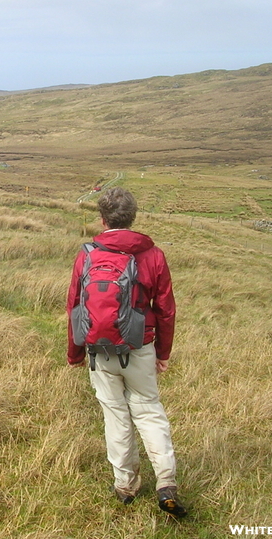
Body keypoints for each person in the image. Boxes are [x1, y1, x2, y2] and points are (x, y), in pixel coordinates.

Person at [66, 187, 187, 517]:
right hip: (140, 345)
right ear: (133, 217)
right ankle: (166, 483)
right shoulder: (152, 255)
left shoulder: (87, 254)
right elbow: (165, 309)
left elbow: (75, 306)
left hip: (99, 351)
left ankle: (126, 485)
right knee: (148, 410)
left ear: (103, 219)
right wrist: (163, 351)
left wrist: (75, 352)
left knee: (115, 415)